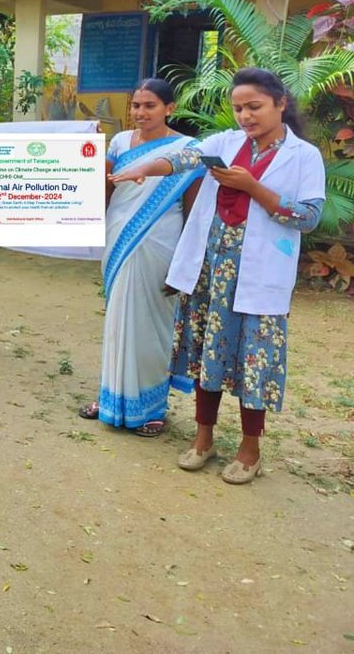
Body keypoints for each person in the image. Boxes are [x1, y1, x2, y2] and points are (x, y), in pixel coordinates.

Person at [112, 68, 325, 484]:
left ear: (280, 103)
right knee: (204, 357)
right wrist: (146, 169)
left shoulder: (304, 156)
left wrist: (251, 186)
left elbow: (309, 217)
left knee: (254, 364)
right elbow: (182, 157)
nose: (245, 116)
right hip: (210, 273)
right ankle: (203, 439)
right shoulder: (224, 143)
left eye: (254, 107)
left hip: (259, 276)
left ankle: (249, 450)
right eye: (238, 108)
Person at [78, 79, 202, 435]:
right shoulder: (119, 142)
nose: (140, 113)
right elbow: (102, 186)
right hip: (118, 235)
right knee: (117, 321)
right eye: (135, 105)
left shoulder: (187, 149)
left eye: (149, 105)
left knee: (152, 326)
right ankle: (111, 398)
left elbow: (192, 210)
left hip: (160, 242)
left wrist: (184, 262)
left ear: (169, 108)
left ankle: (151, 408)